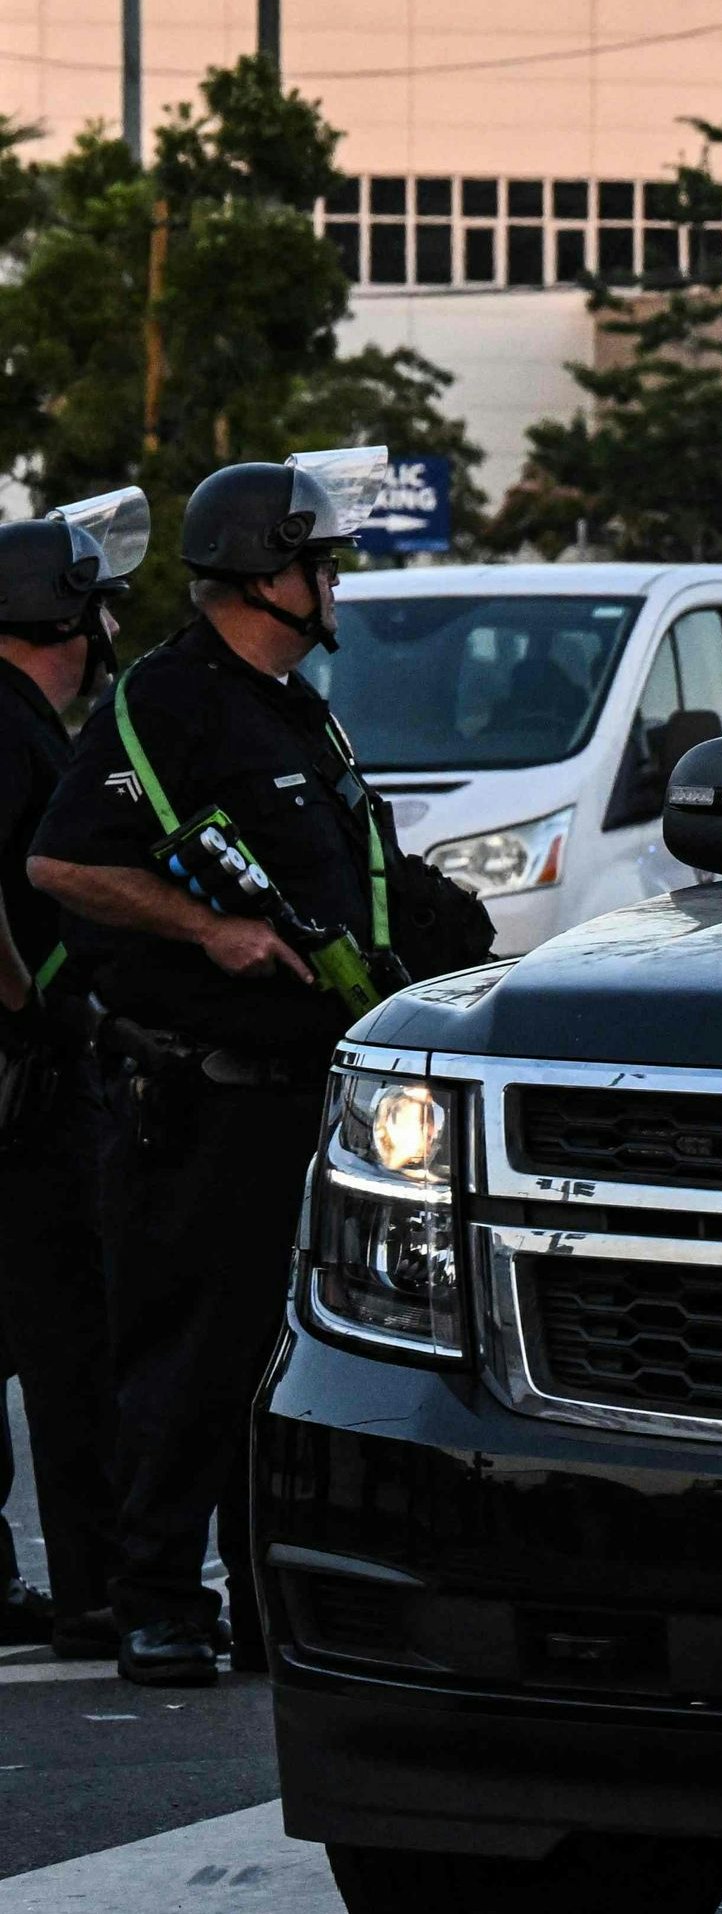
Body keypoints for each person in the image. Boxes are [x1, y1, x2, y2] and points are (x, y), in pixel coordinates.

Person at [26, 458, 492, 1686]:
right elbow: (63, 867)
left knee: (291, 1365)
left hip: (310, 1091)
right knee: (190, 1362)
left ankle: (258, 1591)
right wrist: (212, 931)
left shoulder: (294, 709)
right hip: (200, 1097)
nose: (333, 584)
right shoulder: (169, 702)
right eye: (319, 563)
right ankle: (154, 1601)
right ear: (265, 575)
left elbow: (364, 865)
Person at [0, 490, 140, 1662]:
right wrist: (37, 1006)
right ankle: (95, 1587)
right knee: (66, 1335)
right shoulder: (11, 728)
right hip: (27, 1088)